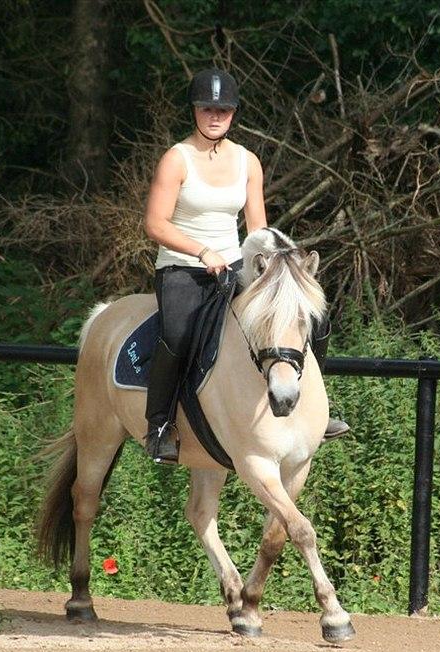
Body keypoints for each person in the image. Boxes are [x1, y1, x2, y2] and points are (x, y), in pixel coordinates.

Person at [144, 67, 348, 464]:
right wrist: (203, 251)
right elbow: (155, 223)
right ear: (195, 111)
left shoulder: (248, 162)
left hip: (236, 268)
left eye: (223, 110)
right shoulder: (177, 159)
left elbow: (257, 227)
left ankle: (313, 409)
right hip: (184, 268)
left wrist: (274, 268)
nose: (215, 116)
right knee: (179, 332)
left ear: (234, 113)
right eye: (207, 109)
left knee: (310, 317)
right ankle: (160, 426)